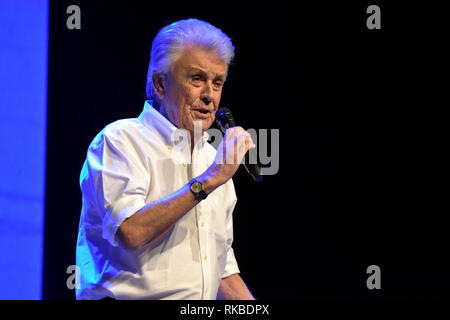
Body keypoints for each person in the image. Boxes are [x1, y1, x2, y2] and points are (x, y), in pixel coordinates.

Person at [76, 18, 256, 300]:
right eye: (197, 78)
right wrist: (208, 180)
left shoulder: (212, 158)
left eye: (217, 82)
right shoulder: (121, 140)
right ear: (160, 84)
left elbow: (221, 270)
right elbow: (131, 232)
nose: (210, 95)